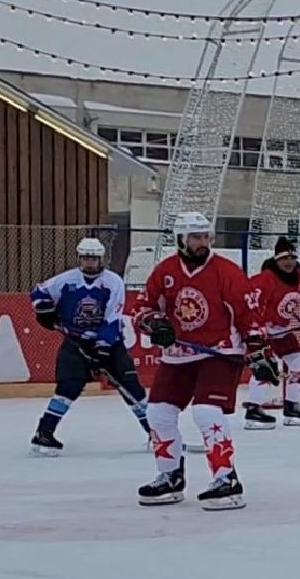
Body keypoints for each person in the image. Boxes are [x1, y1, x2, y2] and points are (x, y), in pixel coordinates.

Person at [133, 212, 256, 510]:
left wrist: (258, 349)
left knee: (205, 412)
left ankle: (227, 478)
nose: (202, 243)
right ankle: (170, 475)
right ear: (181, 239)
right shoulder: (165, 271)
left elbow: (248, 312)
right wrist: (153, 323)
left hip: (221, 351)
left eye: (205, 237)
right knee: (158, 413)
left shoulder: (226, 271)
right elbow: (143, 307)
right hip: (179, 354)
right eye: (195, 237)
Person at [26, 237, 151, 455]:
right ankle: (43, 434)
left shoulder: (113, 282)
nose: (89, 262)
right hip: (75, 341)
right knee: (68, 388)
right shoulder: (67, 280)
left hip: (110, 343)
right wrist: (45, 311)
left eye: (93, 258)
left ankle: (157, 434)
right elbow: (38, 293)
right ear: (80, 258)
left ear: (100, 258)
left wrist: (103, 347)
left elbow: (113, 317)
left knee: (131, 386)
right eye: (85, 258)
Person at [242, 238, 300, 429]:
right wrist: (256, 332)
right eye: (284, 258)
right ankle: (253, 410)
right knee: (265, 368)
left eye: (292, 257)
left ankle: (292, 406)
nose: (288, 262)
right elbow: (250, 306)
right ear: (276, 260)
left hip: (282, 330)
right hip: (262, 332)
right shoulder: (265, 279)